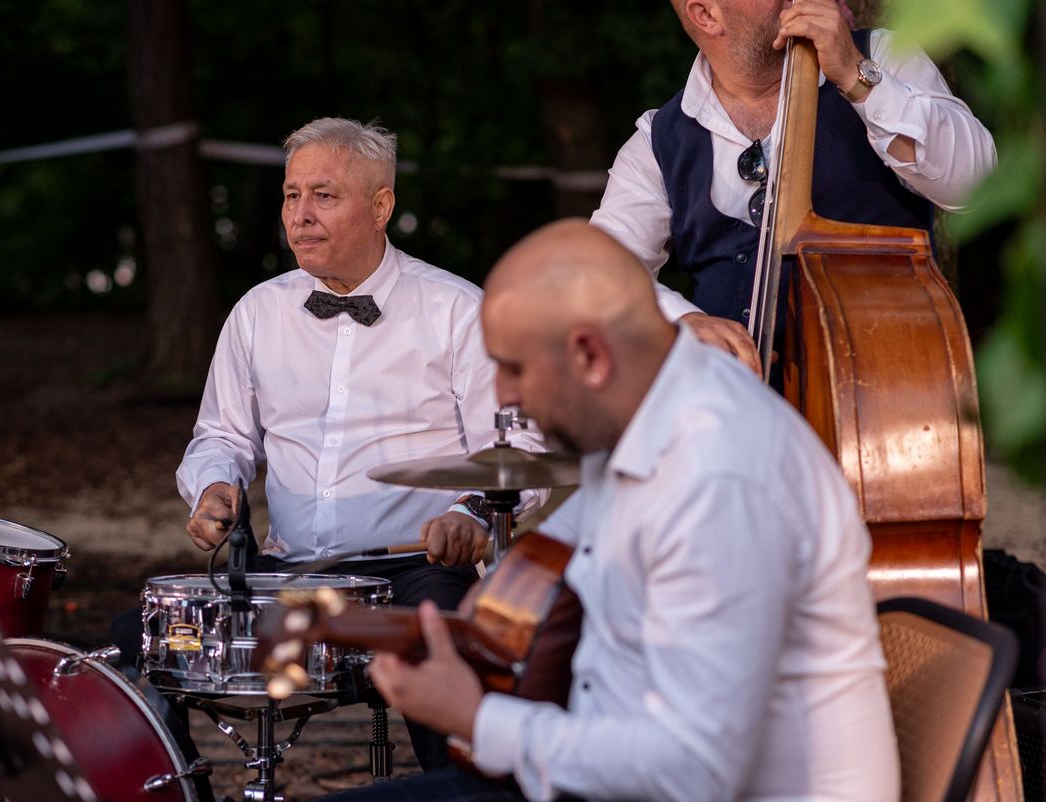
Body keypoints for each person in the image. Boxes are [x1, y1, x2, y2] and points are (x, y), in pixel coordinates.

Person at [331, 219, 899, 801]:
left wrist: (476, 719)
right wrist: (460, 619)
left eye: (514, 367)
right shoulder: (641, 413)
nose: (502, 396)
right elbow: (546, 563)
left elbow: (693, 772)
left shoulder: (719, 474)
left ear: (589, 356)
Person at [175, 117, 541, 771]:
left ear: (381, 206)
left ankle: (463, 787)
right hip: (288, 575)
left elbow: (519, 450)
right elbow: (222, 434)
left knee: (448, 651)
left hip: (413, 571)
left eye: (324, 196)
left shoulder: (457, 311)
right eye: (292, 195)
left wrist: (471, 513)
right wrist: (213, 485)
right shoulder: (258, 313)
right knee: (147, 648)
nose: (301, 215)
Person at [590, 0, 997, 376]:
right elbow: (596, 273)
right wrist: (680, 322)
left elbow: (977, 186)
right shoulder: (657, 141)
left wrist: (856, 77)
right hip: (738, 414)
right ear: (707, 15)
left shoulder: (883, 56)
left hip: (886, 397)